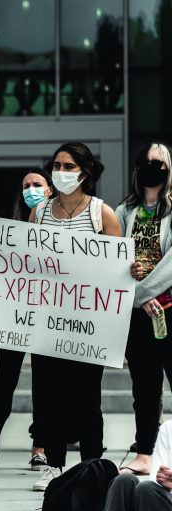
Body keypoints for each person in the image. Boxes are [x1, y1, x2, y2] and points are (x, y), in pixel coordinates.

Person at [25, 142, 122, 492]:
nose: (60, 172)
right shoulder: (39, 214)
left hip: (88, 324)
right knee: (49, 397)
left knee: (86, 398)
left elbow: (117, 267)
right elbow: (24, 259)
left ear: (85, 173)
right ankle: (53, 466)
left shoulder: (101, 213)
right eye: (56, 165)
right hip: (48, 320)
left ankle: (93, 468)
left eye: (68, 166)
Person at [0, 168, 54, 473]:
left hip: (48, 315)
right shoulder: (9, 228)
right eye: (26, 185)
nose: (31, 190)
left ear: (50, 189)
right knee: (4, 382)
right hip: (14, 315)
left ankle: (40, 448)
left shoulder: (63, 229)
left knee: (44, 384)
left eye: (37, 184)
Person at [115, 142, 172, 476]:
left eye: (159, 162)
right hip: (137, 315)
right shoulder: (125, 211)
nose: (153, 167)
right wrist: (137, 297)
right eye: (148, 161)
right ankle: (145, 453)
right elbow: (114, 258)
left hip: (167, 309)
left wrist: (143, 292)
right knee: (145, 388)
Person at [104, 420, 172, 511]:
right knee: (124, 480)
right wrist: (163, 479)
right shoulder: (168, 427)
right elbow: (155, 481)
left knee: (146, 489)